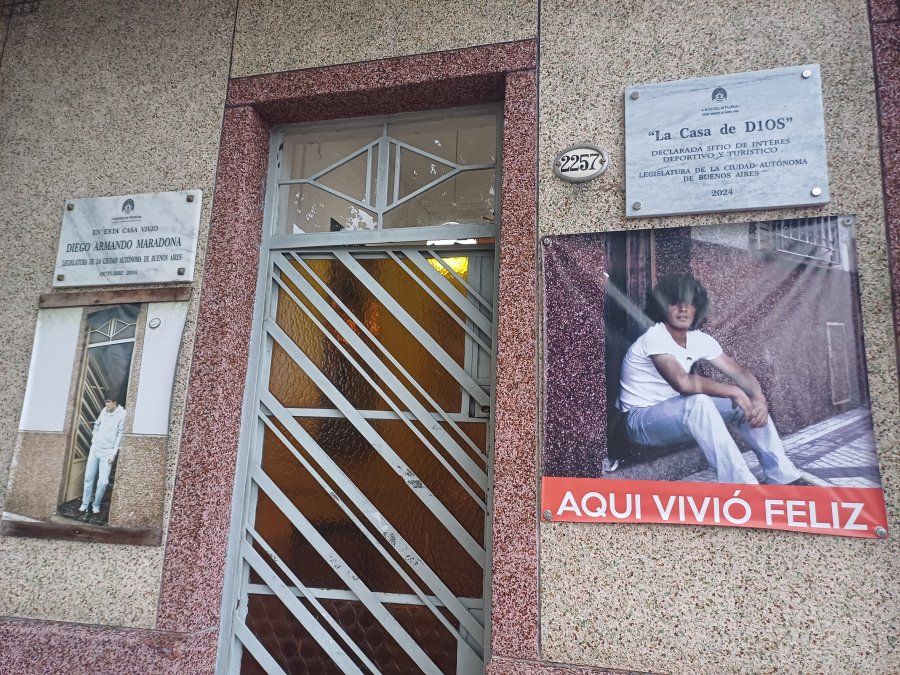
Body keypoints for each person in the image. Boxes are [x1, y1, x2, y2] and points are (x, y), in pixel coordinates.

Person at [617, 273, 811, 485]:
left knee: (743, 402)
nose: (683, 309)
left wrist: (758, 398)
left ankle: (782, 475)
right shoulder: (654, 336)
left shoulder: (699, 339)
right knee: (700, 402)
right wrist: (734, 391)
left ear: (697, 307)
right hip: (640, 422)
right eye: (674, 303)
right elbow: (682, 383)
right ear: (662, 307)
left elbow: (740, 374)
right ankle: (741, 487)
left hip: (675, 413)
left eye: (689, 302)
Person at [80, 396, 127, 515]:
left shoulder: (122, 414)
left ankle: (96, 504)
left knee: (103, 481)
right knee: (88, 477)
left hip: (107, 452)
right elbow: (97, 424)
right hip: (95, 449)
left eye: (108, 402)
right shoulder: (104, 410)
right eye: (105, 402)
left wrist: (114, 453)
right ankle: (85, 504)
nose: (106, 404)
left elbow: (120, 434)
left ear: (115, 402)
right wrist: (94, 438)